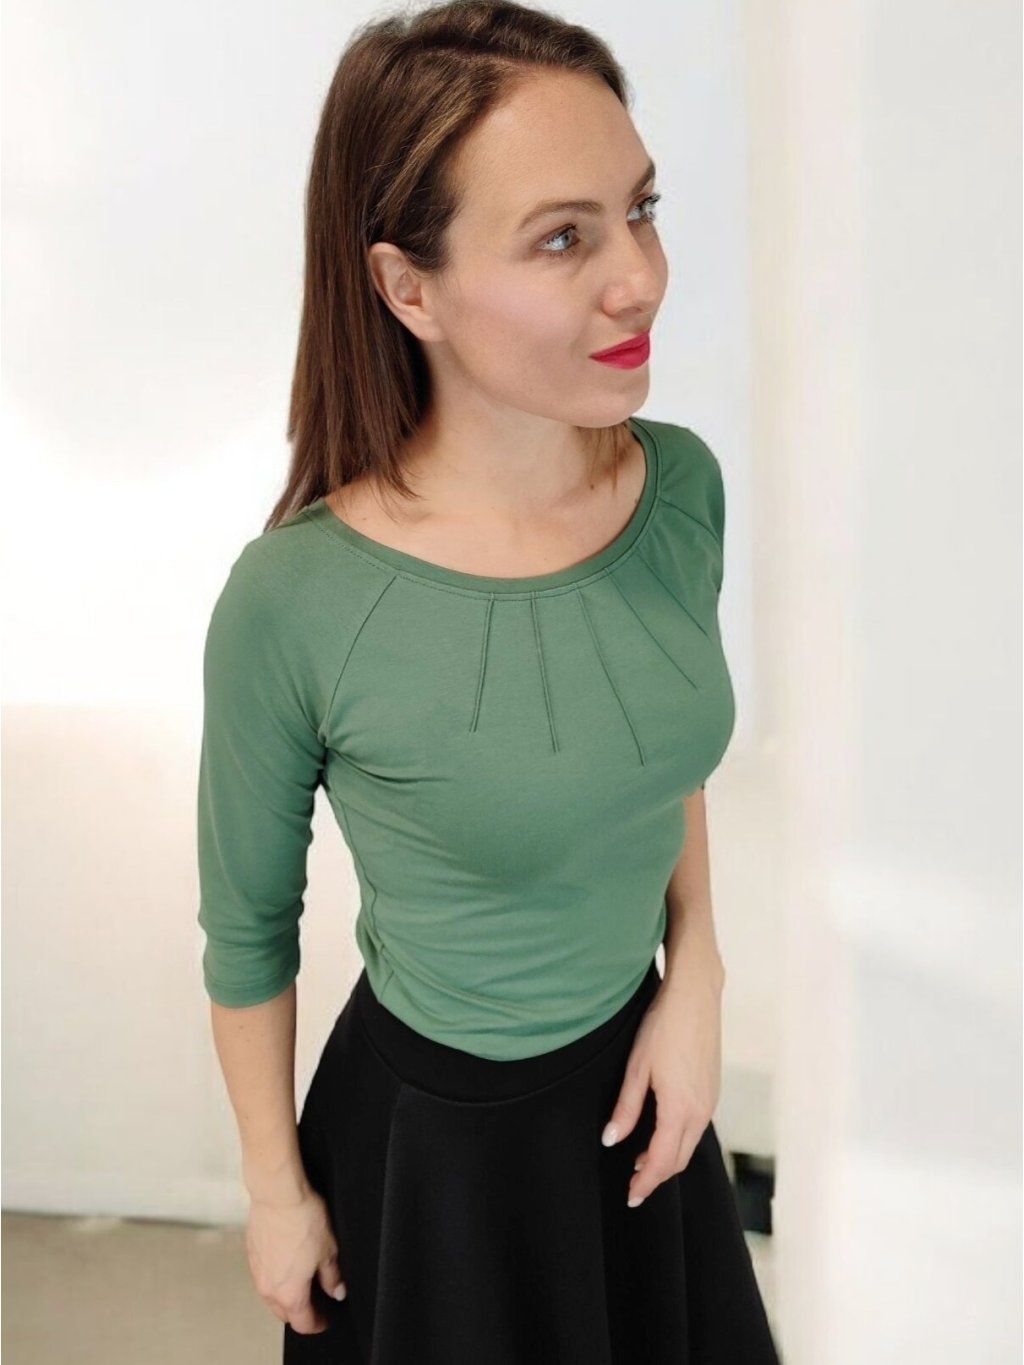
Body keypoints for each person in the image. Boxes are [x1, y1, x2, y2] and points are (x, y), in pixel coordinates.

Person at [196, 2, 780, 1360]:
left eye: (641, 210)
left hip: (640, 1103)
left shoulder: (678, 490)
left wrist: (695, 972)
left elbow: (655, 759)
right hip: (437, 1160)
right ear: (409, 289)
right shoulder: (295, 600)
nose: (638, 278)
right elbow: (247, 929)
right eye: (564, 238)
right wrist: (275, 1191)